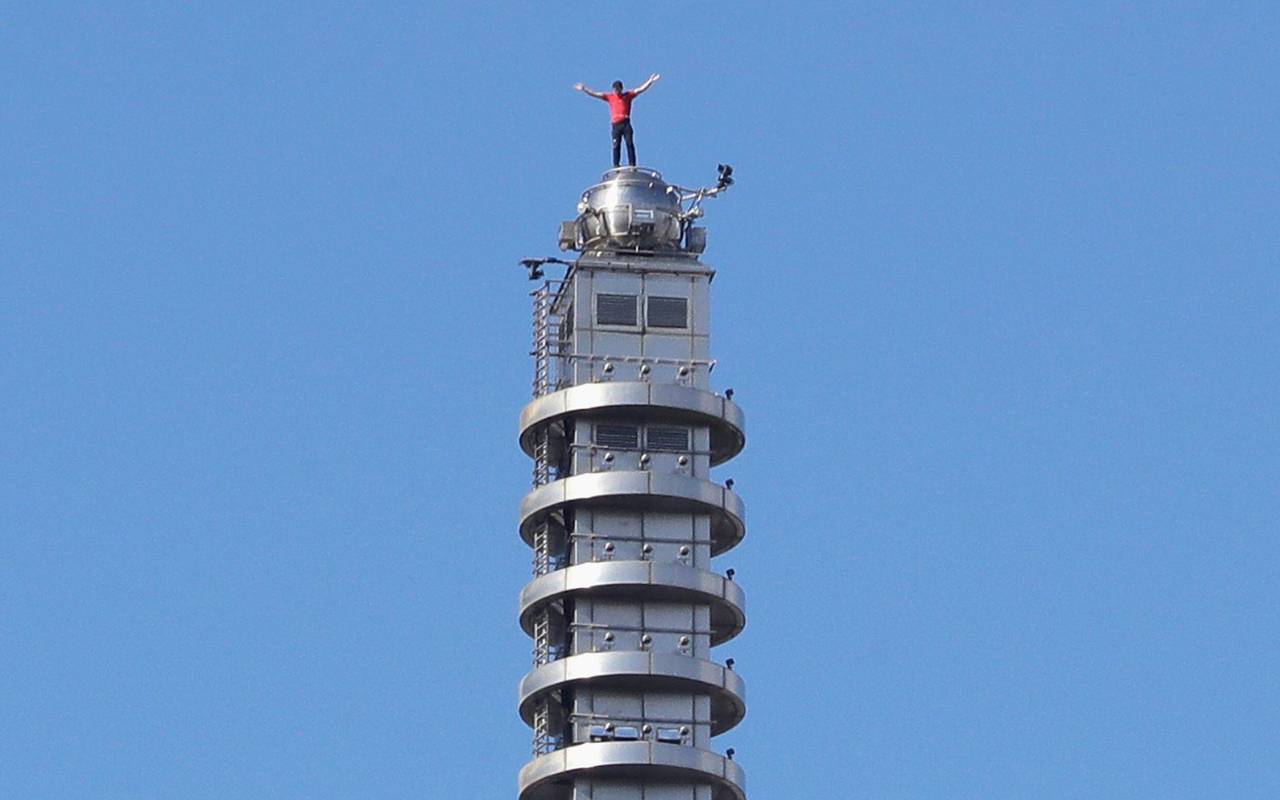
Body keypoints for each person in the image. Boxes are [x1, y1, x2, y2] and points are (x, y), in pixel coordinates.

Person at [573, 74, 661, 167]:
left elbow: (640, 89)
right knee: (616, 145)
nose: (616, 91)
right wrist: (585, 89)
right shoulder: (610, 97)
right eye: (615, 89)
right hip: (616, 125)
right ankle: (616, 165)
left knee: (629, 143)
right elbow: (595, 94)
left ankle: (632, 165)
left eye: (618, 89)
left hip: (626, 123)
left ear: (621, 89)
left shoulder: (628, 96)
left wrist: (650, 81)